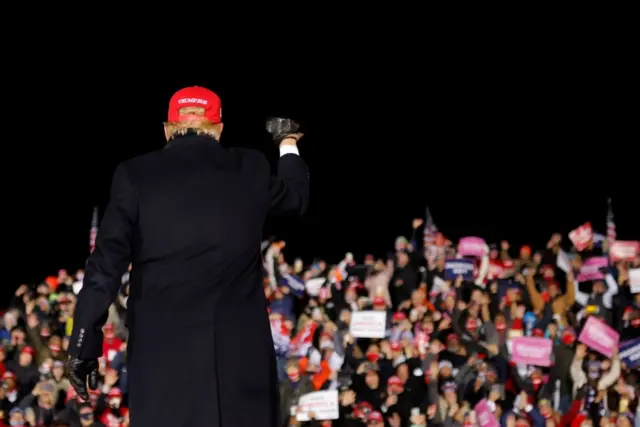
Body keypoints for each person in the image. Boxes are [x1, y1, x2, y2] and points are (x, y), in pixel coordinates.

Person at [67, 86, 310, 427]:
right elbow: (295, 198)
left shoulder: (134, 174)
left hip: (162, 361)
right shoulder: (251, 166)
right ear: (219, 129)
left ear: (167, 128)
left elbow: (105, 265)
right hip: (242, 365)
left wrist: (83, 342)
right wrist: (288, 142)